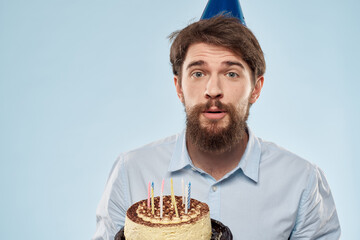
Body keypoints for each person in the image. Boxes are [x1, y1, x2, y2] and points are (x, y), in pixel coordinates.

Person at [92, 16, 341, 240]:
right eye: (198, 73)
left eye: (231, 74)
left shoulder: (302, 182)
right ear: (179, 87)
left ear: (256, 88)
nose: (213, 90)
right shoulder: (131, 171)